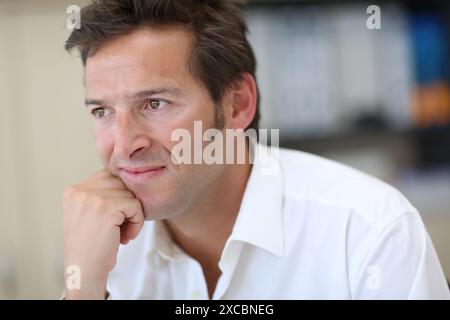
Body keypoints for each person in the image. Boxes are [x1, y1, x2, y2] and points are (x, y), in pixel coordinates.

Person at [63, 0, 450, 300]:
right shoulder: (102, 248)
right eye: (102, 111)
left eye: (155, 103)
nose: (126, 144)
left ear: (237, 104)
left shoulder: (369, 231)